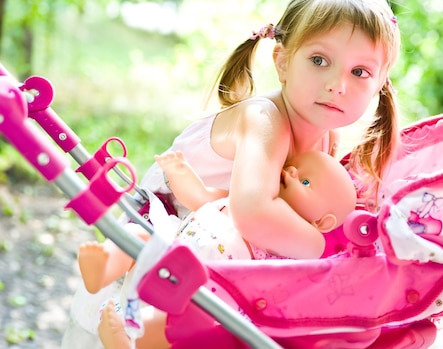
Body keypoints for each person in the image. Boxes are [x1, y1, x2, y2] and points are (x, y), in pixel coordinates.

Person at [65, 0, 402, 348]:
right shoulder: (265, 120)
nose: (338, 84)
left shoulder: (326, 138)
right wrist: (321, 247)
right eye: (320, 60)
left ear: (379, 84)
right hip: (161, 239)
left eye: (359, 72)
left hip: (210, 259)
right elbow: (253, 212)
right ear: (284, 61)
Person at [84, 149, 357, 349]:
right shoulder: (245, 197)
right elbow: (200, 197)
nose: (290, 173)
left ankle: (128, 338)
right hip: (171, 247)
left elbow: (310, 251)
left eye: (306, 182)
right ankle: (105, 266)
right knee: (139, 235)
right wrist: (181, 174)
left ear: (322, 221)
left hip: (201, 292)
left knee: (177, 320)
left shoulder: (303, 241)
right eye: (291, 166)